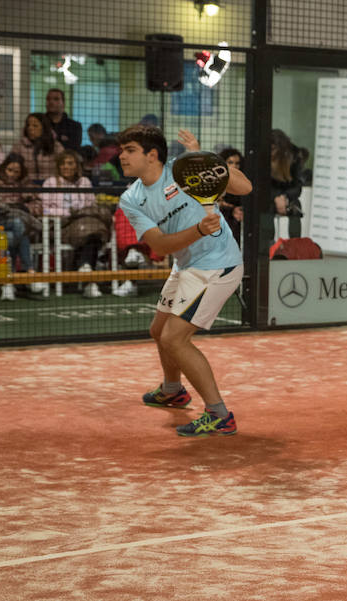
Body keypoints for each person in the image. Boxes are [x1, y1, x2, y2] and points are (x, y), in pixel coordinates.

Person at [117, 125, 252, 437]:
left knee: (174, 339)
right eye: (121, 150)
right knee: (158, 330)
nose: (121, 156)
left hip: (218, 265)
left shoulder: (184, 170)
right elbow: (161, 245)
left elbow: (244, 188)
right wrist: (199, 231)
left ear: (152, 155)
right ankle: (173, 389)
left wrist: (204, 158)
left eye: (130, 150)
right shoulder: (131, 199)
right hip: (186, 264)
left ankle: (219, 414)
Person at [41, 149, 107, 298]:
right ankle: (88, 280)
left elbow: (92, 204)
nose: (67, 167)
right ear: (58, 166)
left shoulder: (84, 182)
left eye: (70, 163)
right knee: (92, 233)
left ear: (77, 166)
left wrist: (81, 213)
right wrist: (67, 213)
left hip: (85, 223)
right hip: (62, 226)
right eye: (63, 164)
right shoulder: (50, 182)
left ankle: (86, 269)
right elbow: (45, 209)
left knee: (93, 232)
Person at [0, 153, 46, 300]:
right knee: (19, 225)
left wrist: (24, 207)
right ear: (4, 168)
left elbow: (38, 204)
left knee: (13, 236)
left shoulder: (24, 184)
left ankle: (8, 284)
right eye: (10, 170)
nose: (12, 174)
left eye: (16, 172)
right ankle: (30, 274)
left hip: (9, 233)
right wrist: (12, 208)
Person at [10, 113, 64, 182]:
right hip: (25, 185)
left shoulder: (56, 146)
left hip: (50, 185)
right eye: (28, 125)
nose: (30, 128)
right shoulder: (19, 146)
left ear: (44, 128)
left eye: (35, 126)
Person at [217, 147, 246, 243]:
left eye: (237, 163)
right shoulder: (218, 181)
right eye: (230, 162)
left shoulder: (243, 182)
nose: (234, 166)